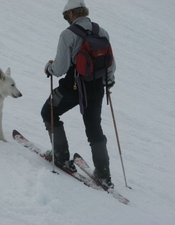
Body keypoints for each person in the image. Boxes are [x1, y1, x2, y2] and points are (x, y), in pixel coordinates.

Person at [41, 0, 116, 188]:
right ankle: (104, 173)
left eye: (66, 16)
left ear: (72, 14)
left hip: (72, 87)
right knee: (94, 127)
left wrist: (49, 68)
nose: (66, 19)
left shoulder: (68, 35)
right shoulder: (101, 32)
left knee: (49, 111)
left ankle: (60, 156)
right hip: (97, 87)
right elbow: (110, 63)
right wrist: (108, 81)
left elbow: (60, 67)